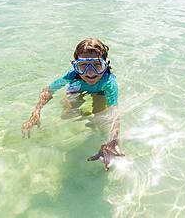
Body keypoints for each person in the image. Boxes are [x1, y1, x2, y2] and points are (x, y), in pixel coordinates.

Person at [21, 38, 123, 170]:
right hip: (78, 86)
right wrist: (36, 112)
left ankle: (104, 147)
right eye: (83, 66)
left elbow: (114, 112)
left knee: (100, 122)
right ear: (75, 66)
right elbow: (48, 90)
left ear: (105, 65)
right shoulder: (73, 75)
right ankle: (85, 114)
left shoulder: (109, 82)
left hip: (101, 92)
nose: (90, 72)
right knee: (67, 115)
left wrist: (114, 140)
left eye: (97, 66)